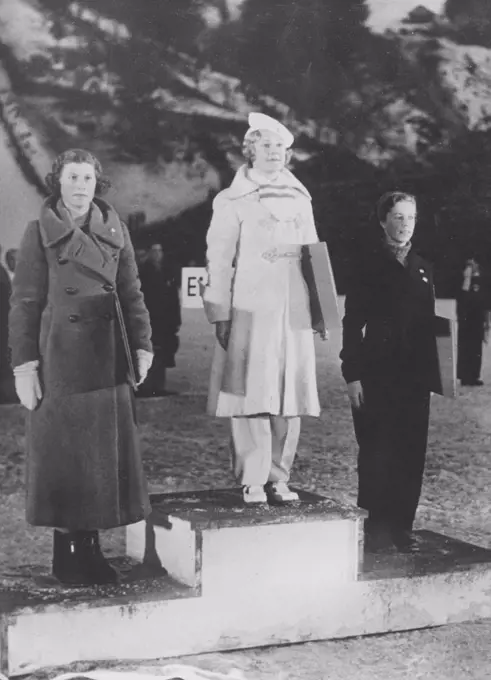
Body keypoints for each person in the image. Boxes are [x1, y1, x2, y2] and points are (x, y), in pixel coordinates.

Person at [8, 148, 154, 587]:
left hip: (107, 358)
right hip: (61, 363)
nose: (79, 187)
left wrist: (143, 347)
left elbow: (132, 295)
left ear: (97, 184)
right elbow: (25, 303)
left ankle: (89, 551)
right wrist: (24, 366)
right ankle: (70, 556)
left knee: (99, 461)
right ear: (58, 182)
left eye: (87, 179)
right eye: (72, 178)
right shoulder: (39, 232)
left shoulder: (116, 231)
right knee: (66, 460)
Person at [203, 112, 326, 506]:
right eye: (266, 144)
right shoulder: (231, 200)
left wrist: (323, 311)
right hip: (250, 306)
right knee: (251, 392)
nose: (274, 152)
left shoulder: (301, 199)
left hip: (294, 307)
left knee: (290, 394)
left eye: (280, 146)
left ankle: (279, 475)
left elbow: (314, 256)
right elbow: (218, 261)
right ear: (250, 149)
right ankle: (252, 477)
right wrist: (220, 313)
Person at [340, 192, 439, 553]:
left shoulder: (424, 267)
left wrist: (437, 375)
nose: (405, 224)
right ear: (383, 220)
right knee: (376, 454)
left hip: (415, 380)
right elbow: (352, 324)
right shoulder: (366, 264)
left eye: (411, 217)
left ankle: (402, 528)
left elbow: (430, 326)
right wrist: (352, 374)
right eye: (398, 217)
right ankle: (374, 531)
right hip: (377, 375)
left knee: (411, 455)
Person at [138, 242, 181, 396]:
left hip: (164, 321)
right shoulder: (144, 273)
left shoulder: (166, 271)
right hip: (152, 320)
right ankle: (146, 387)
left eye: (160, 251)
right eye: (154, 250)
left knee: (162, 353)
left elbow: (173, 297)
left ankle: (157, 387)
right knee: (150, 352)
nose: (158, 254)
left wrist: (175, 320)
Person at [457, 257, 489, 386]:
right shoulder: (464, 281)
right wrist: (467, 278)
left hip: (477, 320)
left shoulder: (482, 281)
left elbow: (485, 303)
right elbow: (462, 297)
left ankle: (474, 375)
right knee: (465, 348)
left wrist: (487, 321)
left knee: (476, 349)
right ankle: (465, 376)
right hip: (465, 320)